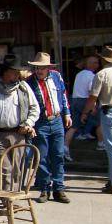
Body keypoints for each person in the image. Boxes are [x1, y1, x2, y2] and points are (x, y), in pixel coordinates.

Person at [0, 55, 40, 190]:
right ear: (4, 71)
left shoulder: (23, 87)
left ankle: (13, 198)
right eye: (14, 72)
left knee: (16, 169)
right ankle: (6, 200)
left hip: (18, 134)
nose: (17, 75)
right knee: (3, 169)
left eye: (18, 72)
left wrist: (28, 123)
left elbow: (35, 108)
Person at [26, 52, 72, 204]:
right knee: (42, 157)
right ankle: (44, 188)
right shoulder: (29, 82)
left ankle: (59, 188)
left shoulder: (56, 77)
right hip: (41, 122)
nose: (39, 71)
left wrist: (67, 114)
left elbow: (63, 95)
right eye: (37, 68)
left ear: (48, 68)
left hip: (57, 119)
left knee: (58, 155)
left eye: (42, 68)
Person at [81, 46, 112, 195]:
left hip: (110, 111)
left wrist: (85, 112)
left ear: (103, 59)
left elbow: (93, 97)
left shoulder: (102, 74)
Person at [64, 55, 102, 161]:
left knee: (74, 126)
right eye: (95, 62)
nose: (97, 65)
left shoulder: (79, 74)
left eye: (97, 62)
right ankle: (101, 143)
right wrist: (93, 105)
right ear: (89, 64)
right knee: (100, 122)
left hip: (75, 99)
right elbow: (91, 92)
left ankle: (65, 146)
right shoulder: (91, 76)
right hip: (85, 100)